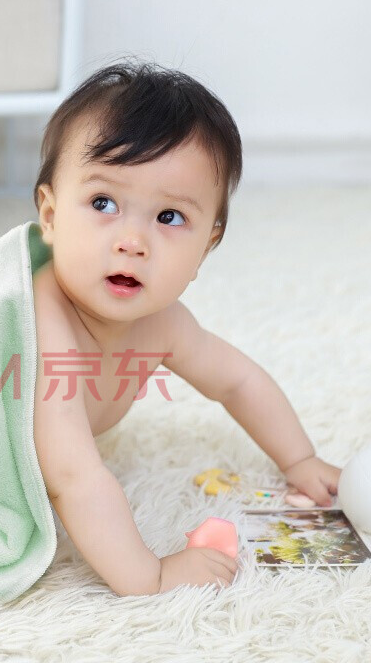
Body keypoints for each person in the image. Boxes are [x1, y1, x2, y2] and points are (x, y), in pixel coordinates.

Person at [31, 58, 341, 597]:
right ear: (51, 217)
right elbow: (72, 477)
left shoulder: (163, 322)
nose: (132, 241)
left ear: (206, 246)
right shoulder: (44, 323)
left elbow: (237, 381)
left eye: (169, 217)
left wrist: (300, 458)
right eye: (103, 203)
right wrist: (147, 576)